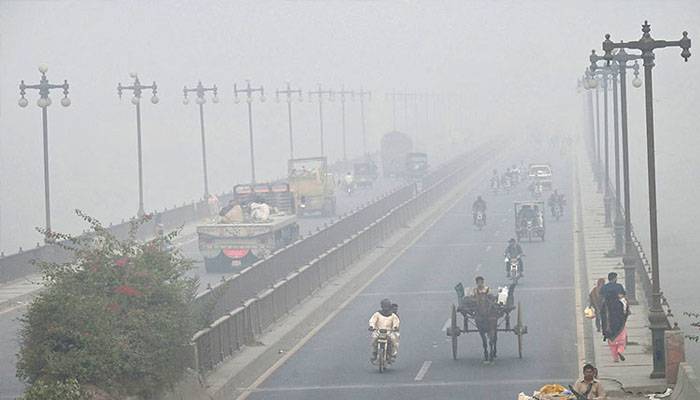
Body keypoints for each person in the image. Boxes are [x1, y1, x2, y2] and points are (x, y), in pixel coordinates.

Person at [600, 272, 629, 362]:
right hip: (617, 309)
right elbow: (623, 296)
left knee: (610, 334)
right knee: (621, 330)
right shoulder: (619, 286)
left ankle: (615, 358)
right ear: (615, 278)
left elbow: (601, 295)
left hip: (607, 310)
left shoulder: (604, 287)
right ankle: (620, 350)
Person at [369, 298, 400, 363]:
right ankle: (374, 353)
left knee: (394, 340)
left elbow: (396, 322)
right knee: (373, 338)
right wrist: (372, 326)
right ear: (382, 306)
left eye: (387, 306)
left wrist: (395, 327)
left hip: (389, 332)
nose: (385, 308)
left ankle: (393, 354)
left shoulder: (393, 315)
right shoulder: (377, 314)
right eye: (384, 306)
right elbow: (372, 320)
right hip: (378, 331)